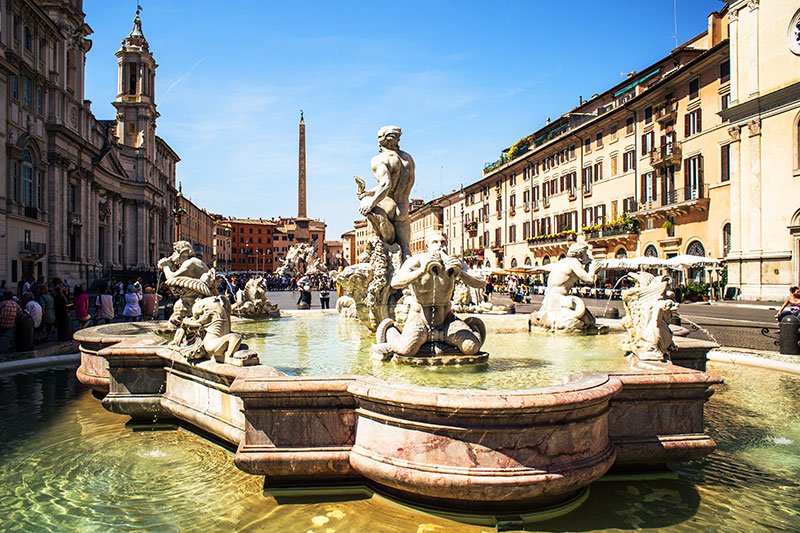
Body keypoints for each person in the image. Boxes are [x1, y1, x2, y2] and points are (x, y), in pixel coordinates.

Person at [356, 125, 415, 258]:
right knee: (405, 252)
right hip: (403, 207)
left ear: (382, 140)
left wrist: (369, 203)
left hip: (387, 206)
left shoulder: (380, 159)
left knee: (376, 249)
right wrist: (367, 193)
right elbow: (394, 184)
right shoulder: (408, 159)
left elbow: (386, 185)